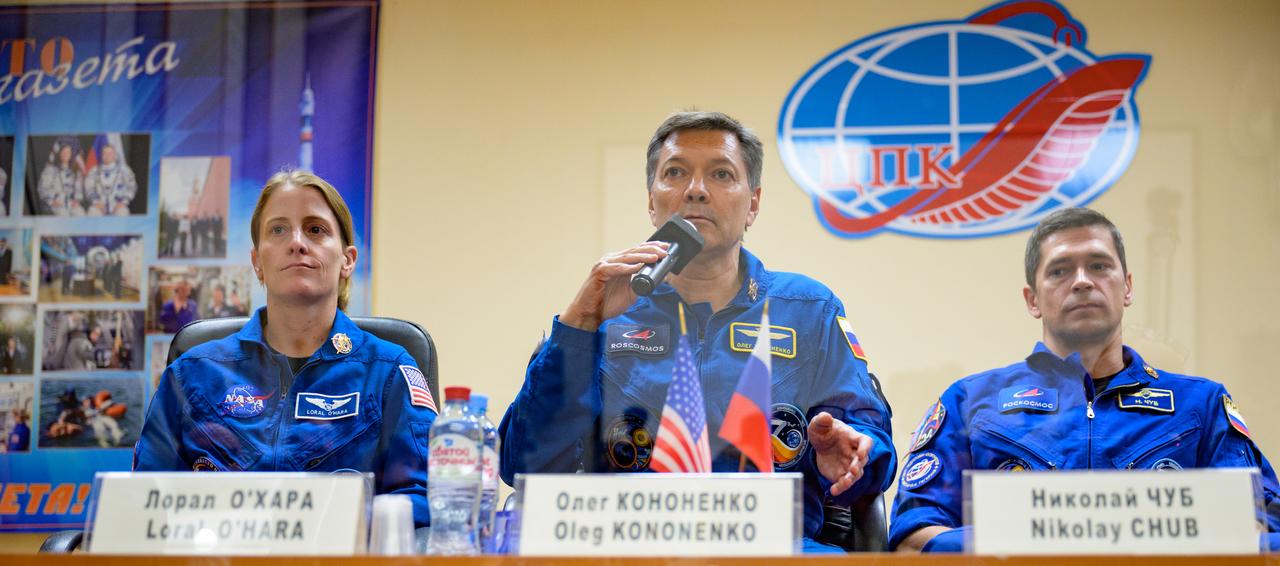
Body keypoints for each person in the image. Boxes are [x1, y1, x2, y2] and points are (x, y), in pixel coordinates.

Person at [498, 111, 895, 553]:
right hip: (628, 545)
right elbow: (524, 467)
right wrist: (580, 326)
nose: (696, 190)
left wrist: (857, 452)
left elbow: (871, 446)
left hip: (773, 547)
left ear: (754, 203)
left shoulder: (807, 309)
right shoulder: (604, 312)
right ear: (652, 201)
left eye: (721, 174)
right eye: (676, 173)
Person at [888, 207, 1280, 553]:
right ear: (1032, 300)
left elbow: (1265, 527)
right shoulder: (969, 403)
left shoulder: (1202, 405)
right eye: (1059, 270)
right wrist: (1033, 538)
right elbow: (912, 538)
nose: (1081, 281)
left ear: (1126, 286)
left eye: (1099, 265)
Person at [134, 170, 438, 528]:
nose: (296, 242)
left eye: (315, 229)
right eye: (278, 230)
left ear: (347, 260)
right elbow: (142, 504)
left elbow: (429, 499)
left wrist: (325, 519)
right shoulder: (190, 375)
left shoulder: (389, 372)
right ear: (257, 262)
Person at [84, 143, 138, 216]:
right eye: (105, 153)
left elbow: (132, 187)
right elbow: (89, 188)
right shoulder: (94, 171)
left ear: (115, 155)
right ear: (102, 155)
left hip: (118, 205)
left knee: (122, 213)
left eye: (110, 153)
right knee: (92, 212)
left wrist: (124, 202)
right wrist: (96, 202)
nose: (107, 155)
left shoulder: (124, 170)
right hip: (99, 205)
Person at [37, 138, 84, 216]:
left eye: (68, 153)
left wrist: (77, 200)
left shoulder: (74, 172)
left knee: (81, 214)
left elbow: (79, 190)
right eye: (64, 152)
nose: (66, 155)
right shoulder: (50, 170)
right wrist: (51, 201)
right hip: (56, 203)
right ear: (59, 154)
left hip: (71, 203)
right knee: (63, 215)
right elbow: (42, 188)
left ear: (71, 155)